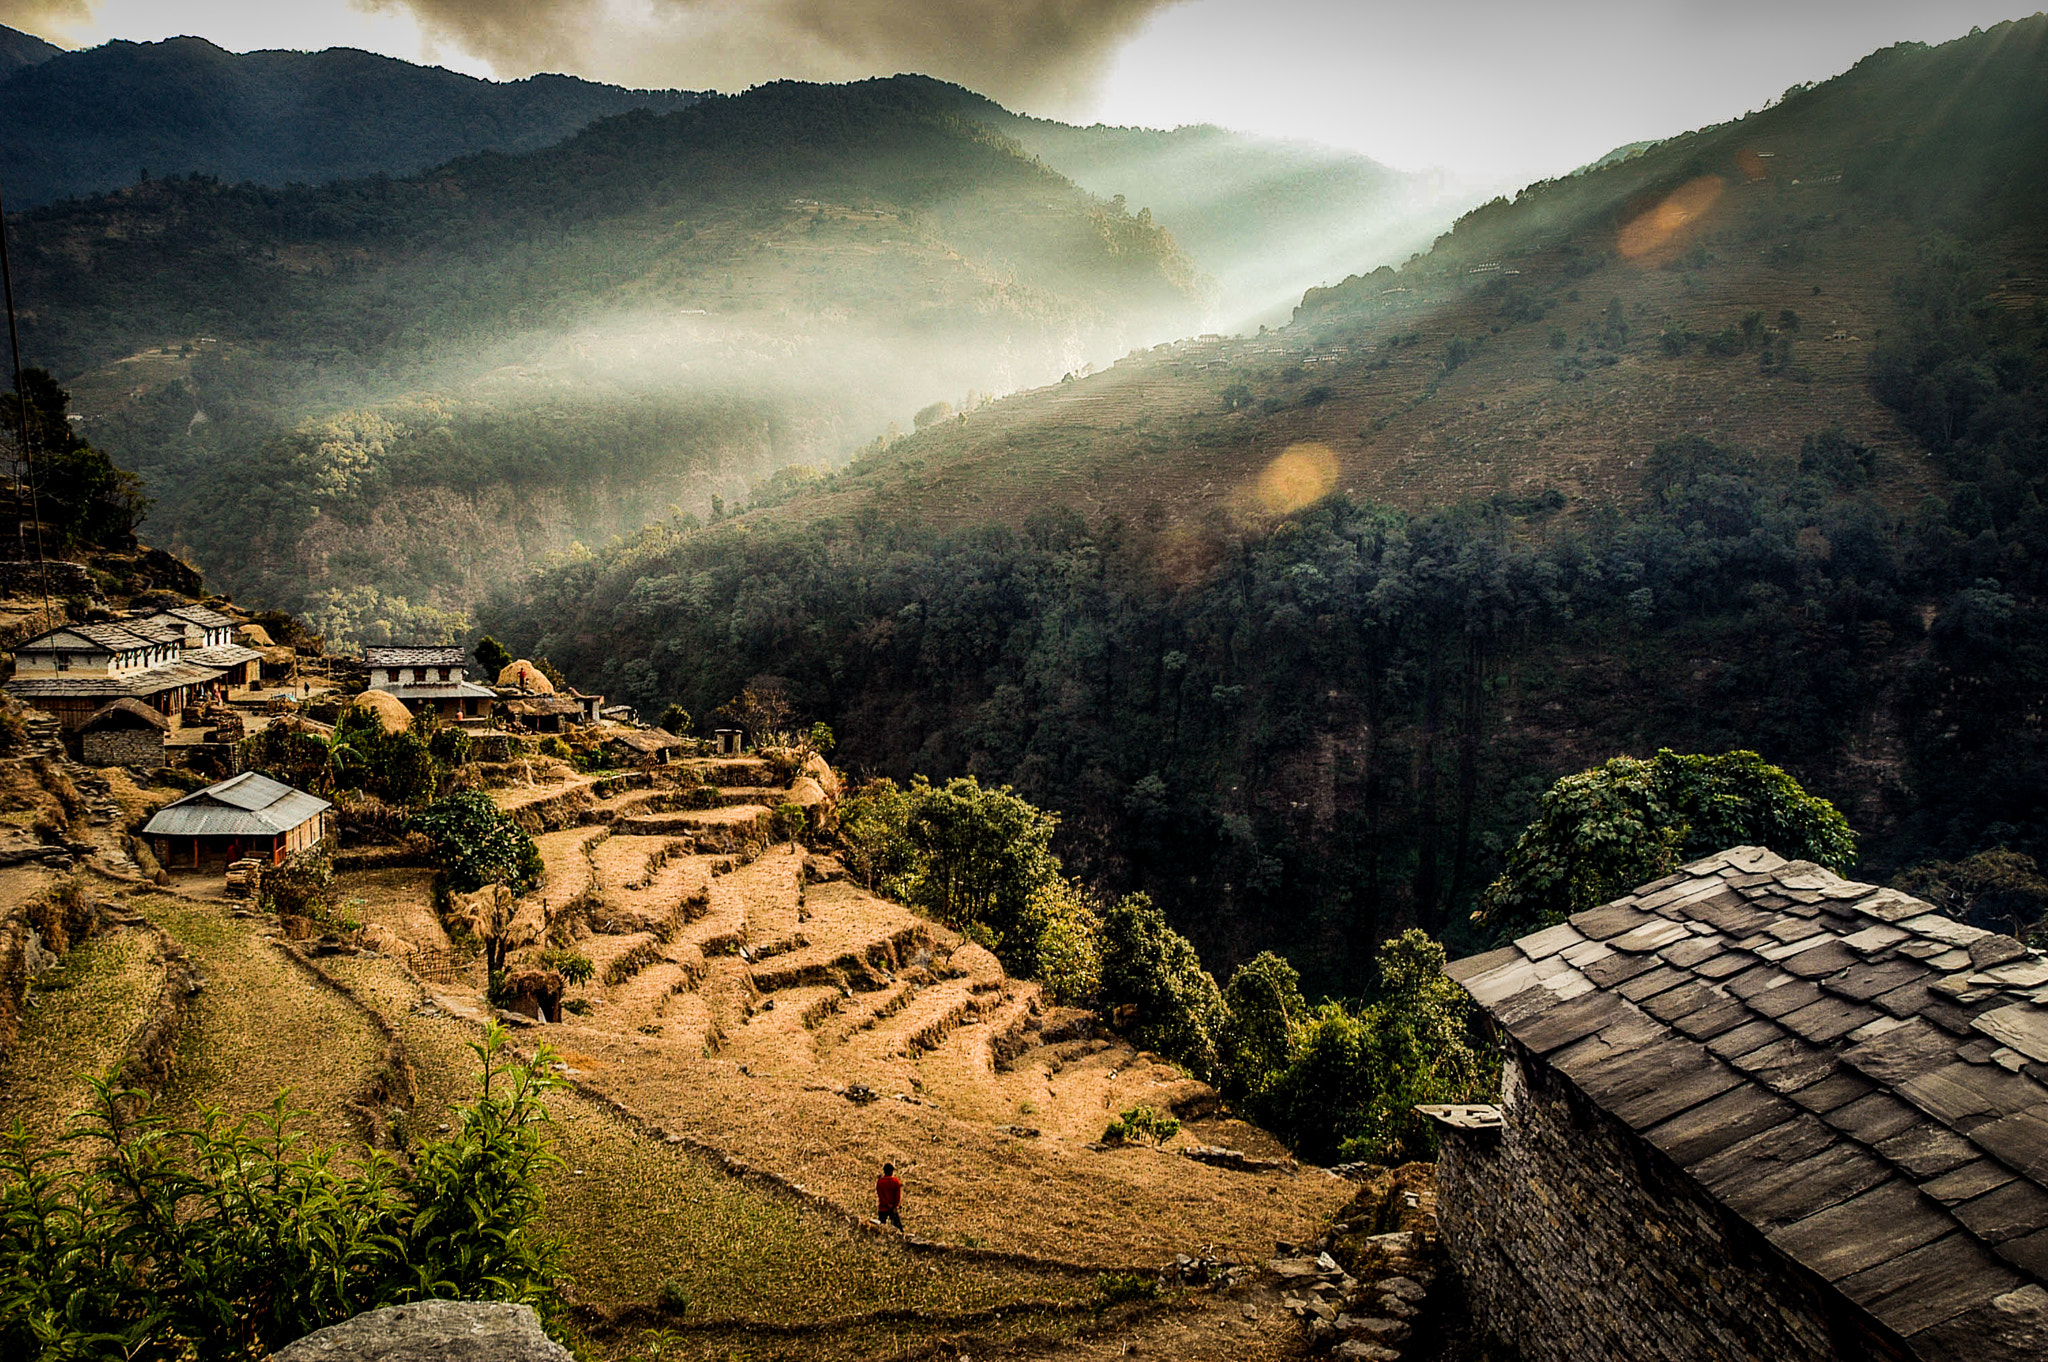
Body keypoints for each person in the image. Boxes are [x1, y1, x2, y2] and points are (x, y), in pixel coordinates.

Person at [875, 1162, 903, 1229]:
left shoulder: (880, 1182)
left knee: (881, 1226)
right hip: (893, 1208)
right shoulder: (896, 1181)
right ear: (891, 1171)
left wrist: (887, 1204)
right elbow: (898, 1195)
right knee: (898, 1227)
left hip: (883, 1207)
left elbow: (880, 1195)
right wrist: (895, 1205)